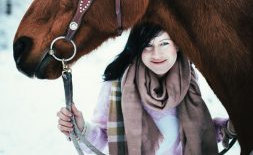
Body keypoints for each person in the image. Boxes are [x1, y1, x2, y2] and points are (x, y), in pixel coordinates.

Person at [57, 23, 236, 155]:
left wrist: (229, 128)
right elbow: (104, 137)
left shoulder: (187, 82)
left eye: (164, 43)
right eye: (148, 46)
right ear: (138, 49)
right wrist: (81, 129)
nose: (156, 54)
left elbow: (198, 133)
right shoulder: (117, 86)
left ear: (177, 45)